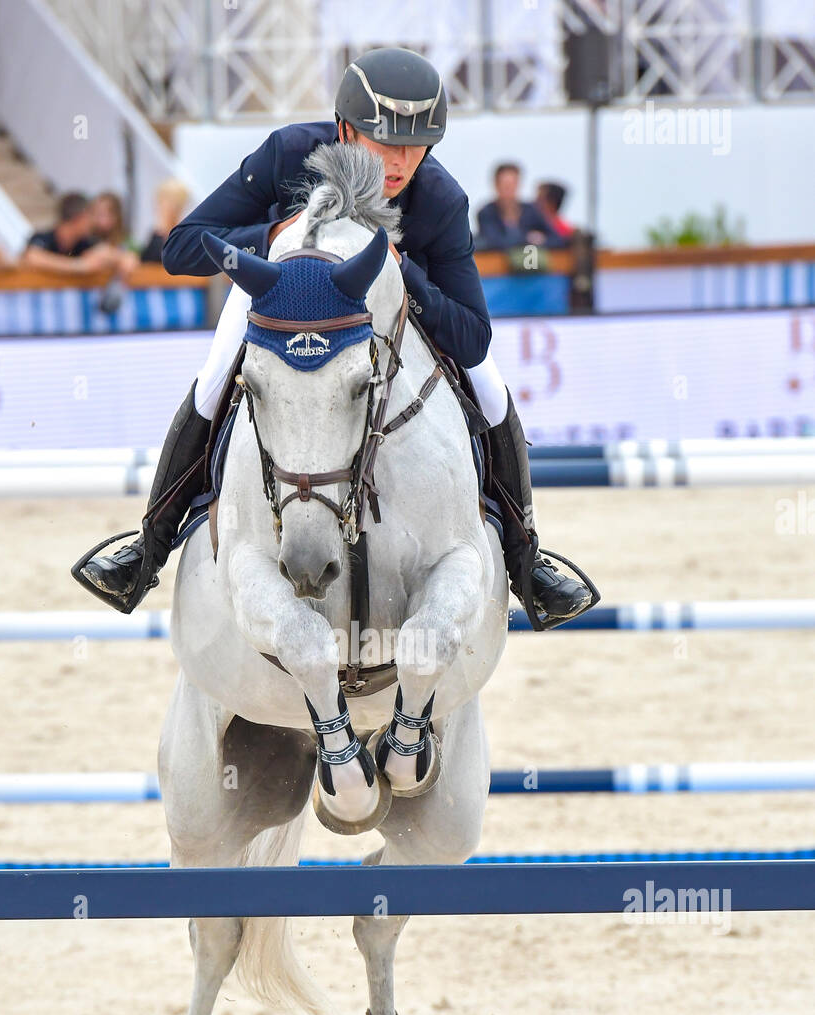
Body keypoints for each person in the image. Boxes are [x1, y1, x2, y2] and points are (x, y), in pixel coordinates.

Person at [76, 47, 591, 623]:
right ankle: (150, 546)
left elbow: (471, 338)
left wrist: (400, 267)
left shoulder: (440, 201)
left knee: (489, 388)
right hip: (281, 303)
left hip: (389, 315)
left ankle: (527, 560)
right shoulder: (291, 153)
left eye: (416, 146)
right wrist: (275, 233)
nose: (401, 162)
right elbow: (181, 248)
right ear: (345, 128)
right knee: (214, 375)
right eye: (385, 142)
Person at [22, 192, 122, 275]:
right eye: (90, 216)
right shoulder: (43, 238)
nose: (93, 222)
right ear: (79, 218)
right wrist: (79, 265)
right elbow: (32, 257)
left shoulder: (84, 242)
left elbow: (107, 253)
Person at [475, 162, 569, 251]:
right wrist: (528, 239)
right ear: (496, 185)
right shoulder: (486, 213)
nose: (509, 190)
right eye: (505, 185)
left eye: (512, 184)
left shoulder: (531, 210)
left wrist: (541, 240)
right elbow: (494, 242)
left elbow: (557, 239)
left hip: (530, 264)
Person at [139, 179, 192, 264]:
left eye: (163, 202)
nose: (158, 207)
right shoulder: (156, 235)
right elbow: (143, 262)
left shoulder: (184, 235)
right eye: (160, 202)